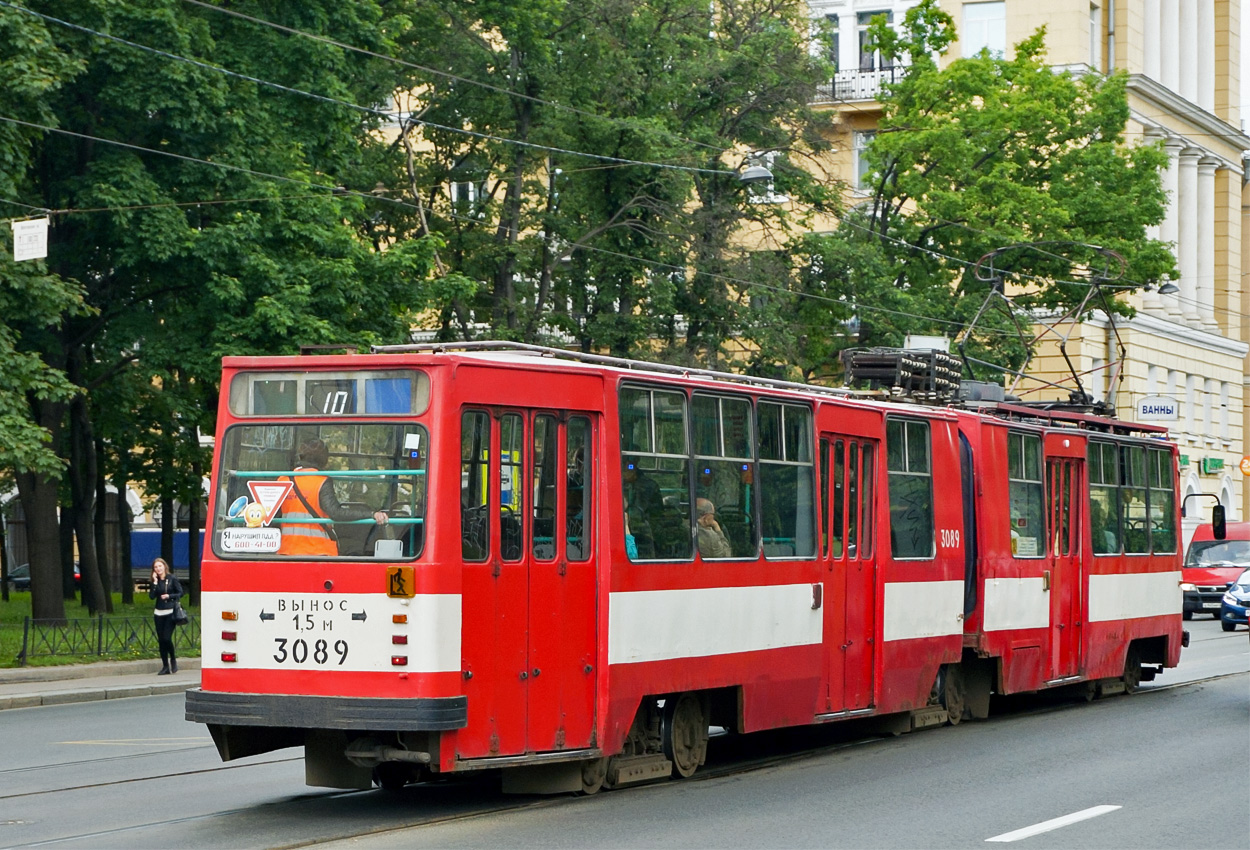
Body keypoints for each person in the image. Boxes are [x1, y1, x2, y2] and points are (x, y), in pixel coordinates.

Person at [278, 439, 389, 556]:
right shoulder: (321, 481)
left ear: (301, 457)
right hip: (318, 551)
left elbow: (272, 515)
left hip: (286, 550)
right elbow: (335, 513)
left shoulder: (283, 480)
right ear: (323, 460)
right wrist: (371, 514)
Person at [149, 558, 182, 675]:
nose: (158, 569)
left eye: (160, 566)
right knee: (161, 641)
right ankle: (165, 666)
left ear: (164, 566)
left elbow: (180, 593)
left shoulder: (172, 578)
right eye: (156, 567)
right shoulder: (155, 581)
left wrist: (169, 596)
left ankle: (173, 659)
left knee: (166, 638)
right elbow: (152, 596)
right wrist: (154, 582)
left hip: (170, 613)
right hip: (158, 613)